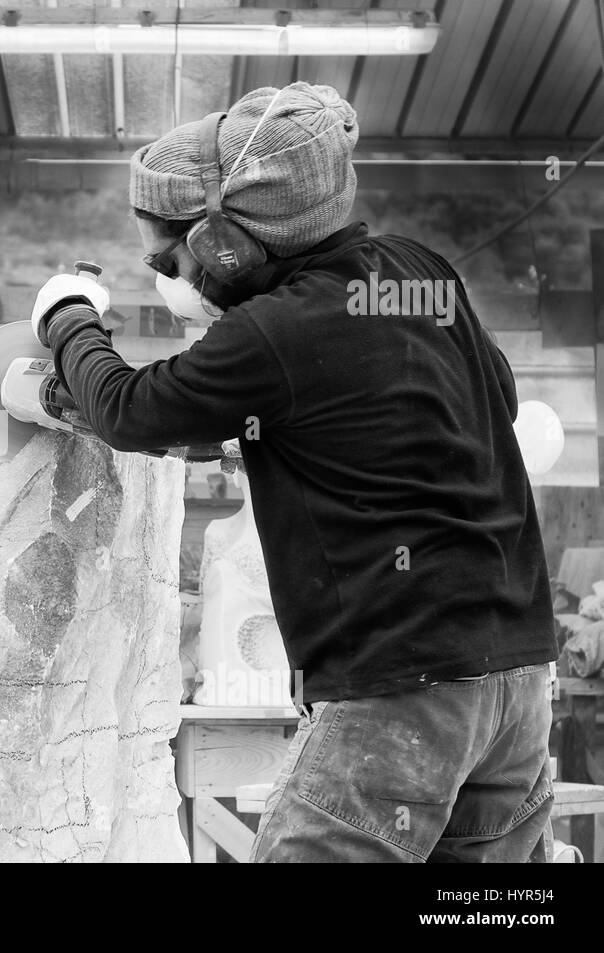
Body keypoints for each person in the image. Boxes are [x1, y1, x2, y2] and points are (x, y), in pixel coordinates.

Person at [29, 82, 558, 862]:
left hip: (401, 692)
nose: (165, 277)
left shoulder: (275, 330)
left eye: (166, 259)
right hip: (516, 682)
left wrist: (68, 318)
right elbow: (491, 397)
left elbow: (130, 411)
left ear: (224, 245)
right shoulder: (418, 270)